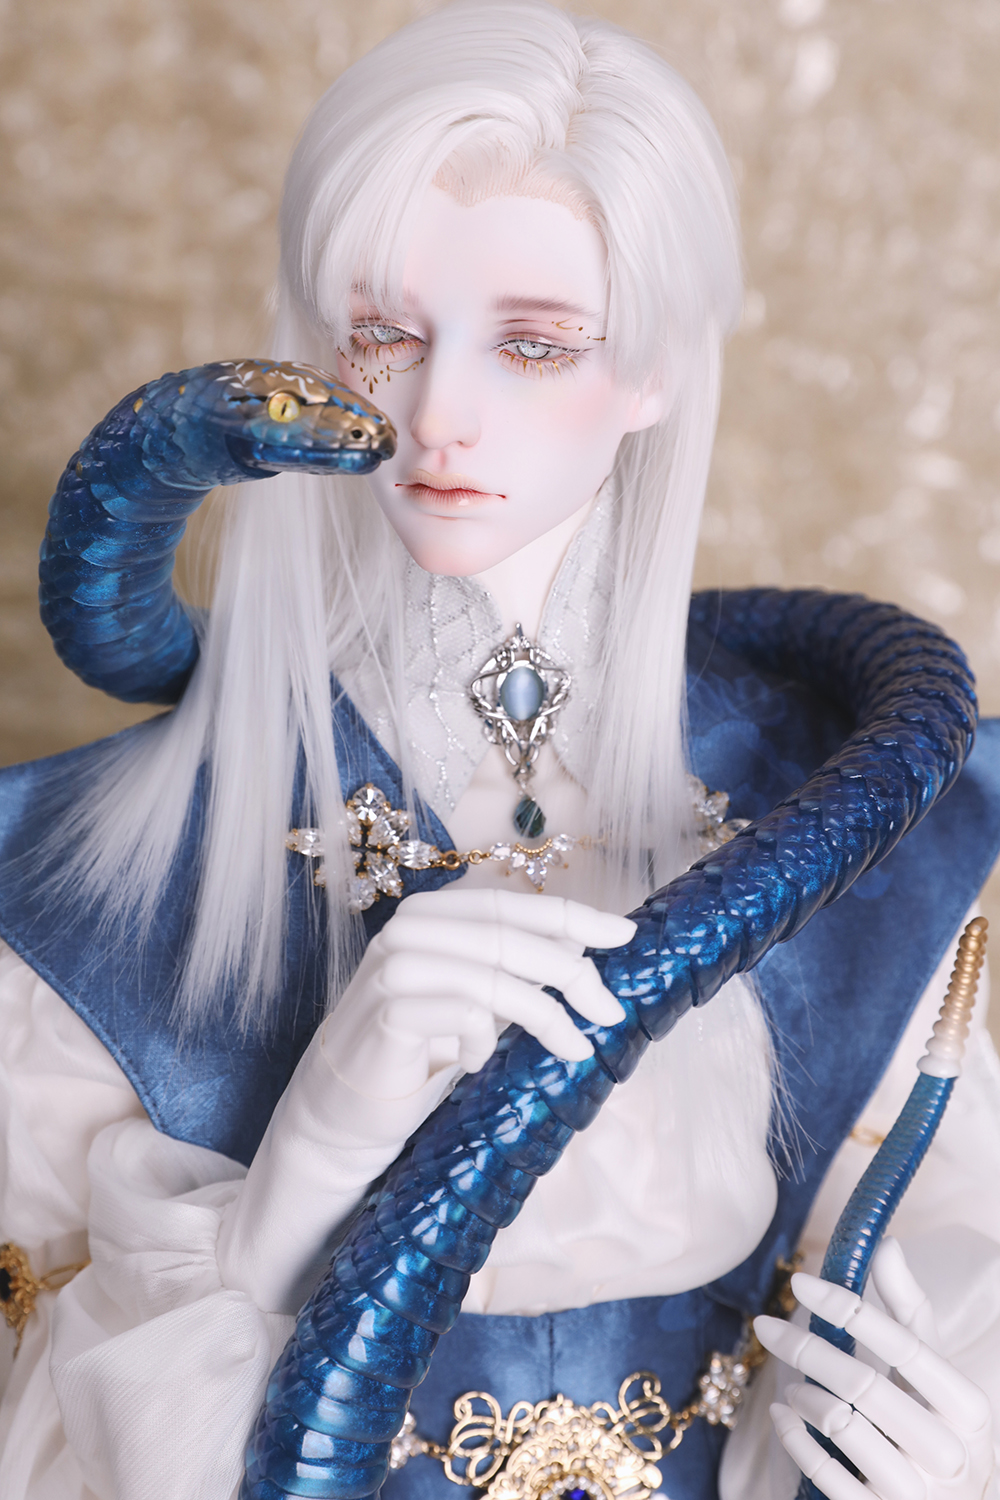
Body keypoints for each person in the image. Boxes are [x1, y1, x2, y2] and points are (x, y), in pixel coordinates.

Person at [1, 3, 1000, 1497]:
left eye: (535, 344)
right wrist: (306, 1163)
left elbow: (936, 1273)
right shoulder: (88, 886)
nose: (439, 417)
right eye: (384, 334)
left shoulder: (844, 808)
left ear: (653, 368)